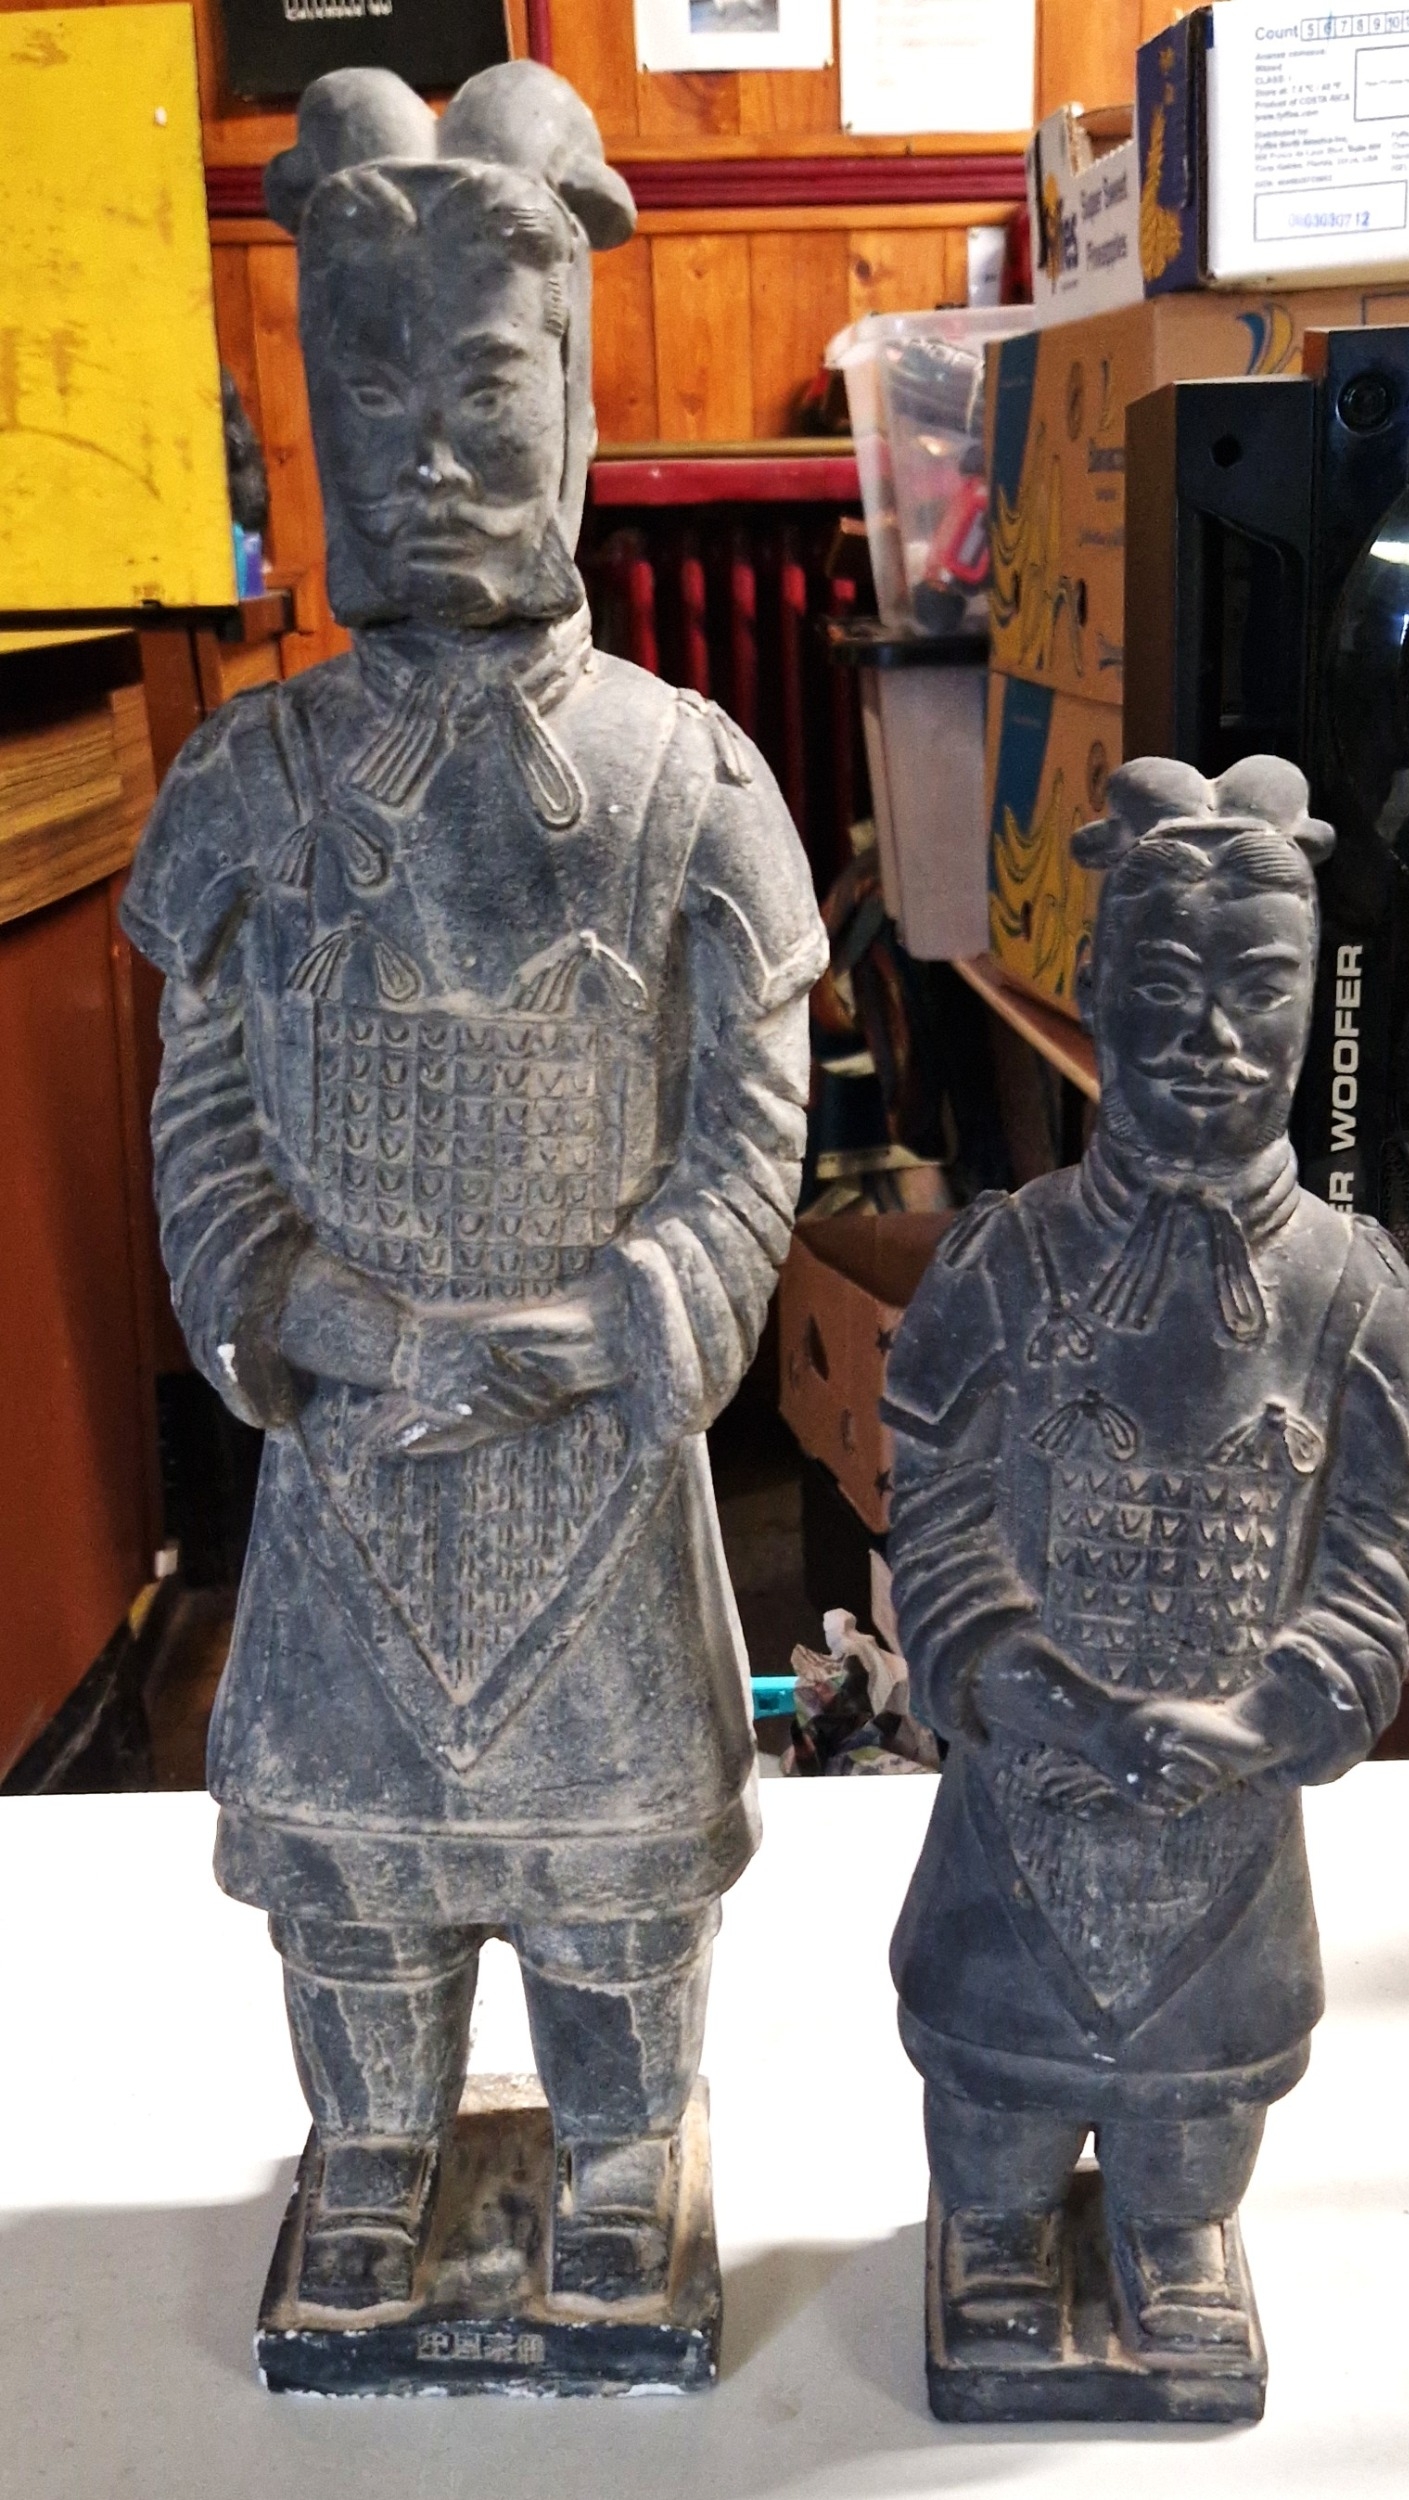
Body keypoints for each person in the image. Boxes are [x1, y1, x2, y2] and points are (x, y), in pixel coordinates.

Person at [121, 60, 826, 2318]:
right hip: (352, 1466)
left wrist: (610, 1325)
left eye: (485, 387)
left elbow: (754, 1123)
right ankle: (372, 2152)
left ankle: (620, 2158)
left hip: (595, 1461)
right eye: (367, 391)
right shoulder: (252, 782)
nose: (422, 449)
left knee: (618, 1886)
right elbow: (203, 1119)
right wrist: (313, 1314)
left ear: (579, 404)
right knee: (361, 1893)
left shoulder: (690, 783)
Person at [883, 755, 1409, 2399]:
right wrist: (1039, 1692)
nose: (1211, 1034)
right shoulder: (1007, 1264)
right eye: (1163, 983)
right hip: (1020, 1811)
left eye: (1257, 988)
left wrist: (1261, 1720)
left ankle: (1176, 2235)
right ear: (1096, 987)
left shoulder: (1358, 1297)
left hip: (1229, 1839)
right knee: (990, 2102)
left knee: (1194, 2132)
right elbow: (939, 1524)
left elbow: (1374, 1569)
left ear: (1312, 1004)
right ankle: (992, 2233)